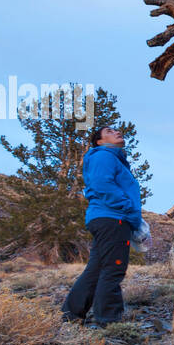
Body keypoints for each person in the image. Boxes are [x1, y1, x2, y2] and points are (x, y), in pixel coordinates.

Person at [62, 124, 144, 325]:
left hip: (108, 218)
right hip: (112, 218)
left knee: (97, 268)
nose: (117, 132)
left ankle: (71, 314)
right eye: (109, 132)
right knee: (113, 269)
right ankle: (109, 320)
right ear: (99, 141)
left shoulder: (111, 158)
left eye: (117, 130)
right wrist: (126, 207)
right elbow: (102, 185)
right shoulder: (103, 155)